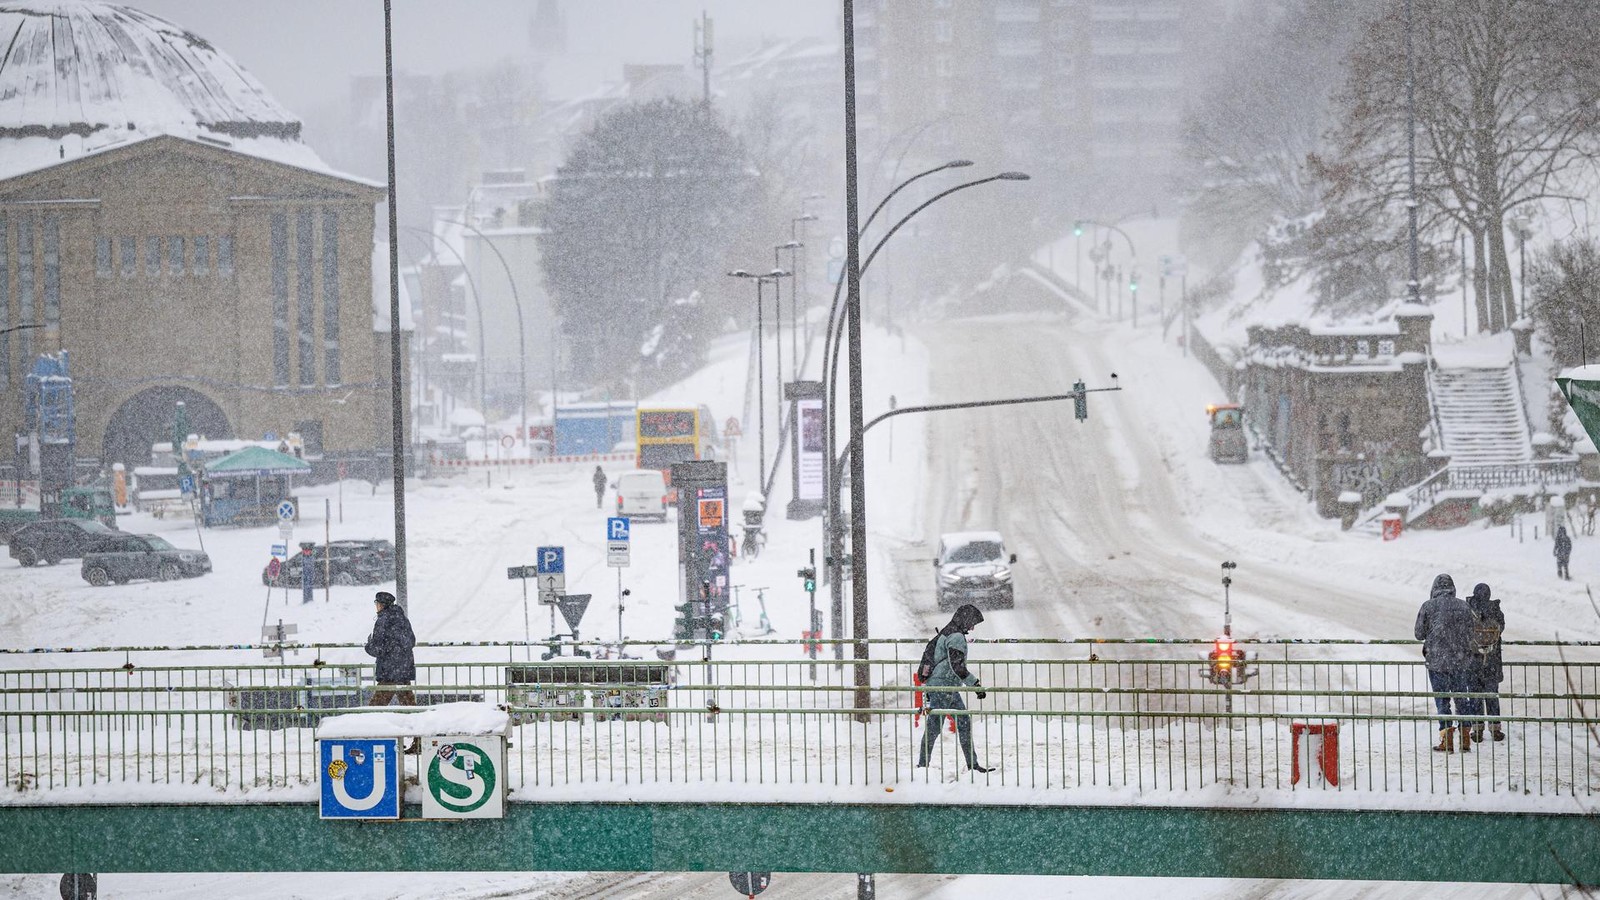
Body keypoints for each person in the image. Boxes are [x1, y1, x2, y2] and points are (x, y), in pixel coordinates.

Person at [916, 604, 995, 774]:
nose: (972, 628)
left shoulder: (947, 632)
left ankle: (972, 764)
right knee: (936, 727)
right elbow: (957, 666)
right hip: (943, 687)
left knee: (959, 722)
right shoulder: (956, 637)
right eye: (972, 623)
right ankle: (922, 767)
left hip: (944, 686)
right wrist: (975, 684)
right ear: (965, 620)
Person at [1414, 574, 1479, 754]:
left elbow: (1419, 634)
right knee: (1461, 698)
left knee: (1442, 700)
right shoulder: (1464, 606)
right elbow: (1471, 632)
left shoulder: (1428, 606)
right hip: (1460, 661)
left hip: (1437, 661)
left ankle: (1446, 739)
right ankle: (1465, 738)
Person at [364, 591, 419, 752]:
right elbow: (411, 641)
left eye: (377, 604)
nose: (376, 607)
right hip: (403, 670)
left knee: (375, 708)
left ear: (381, 605)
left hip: (389, 671)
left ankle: (368, 742)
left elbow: (378, 648)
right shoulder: (402, 618)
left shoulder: (383, 620)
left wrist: (368, 646)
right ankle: (420, 741)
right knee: (410, 708)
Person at [1465, 582, 1506, 744]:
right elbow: (1501, 629)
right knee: (1491, 695)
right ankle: (1495, 729)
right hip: (1492, 661)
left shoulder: (1468, 609)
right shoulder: (1495, 610)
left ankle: (1477, 730)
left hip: (1473, 661)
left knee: (1475, 696)